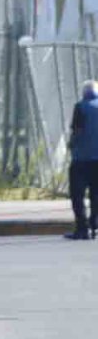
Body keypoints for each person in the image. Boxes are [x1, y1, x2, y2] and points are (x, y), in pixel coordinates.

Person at [69, 80, 98, 241]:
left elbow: (77, 130)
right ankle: (95, 226)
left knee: (77, 194)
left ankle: (82, 228)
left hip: (81, 159)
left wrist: (71, 144)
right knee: (96, 194)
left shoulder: (80, 107)